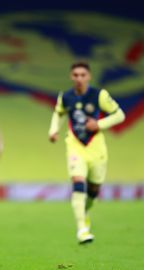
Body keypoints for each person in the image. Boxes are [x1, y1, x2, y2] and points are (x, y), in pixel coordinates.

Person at [48, 62, 125, 244]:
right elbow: (58, 113)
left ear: (88, 76)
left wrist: (99, 124)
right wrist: (53, 130)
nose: (79, 78)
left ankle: (85, 212)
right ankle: (82, 229)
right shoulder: (65, 96)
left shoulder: (99, 95)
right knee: (78, 182)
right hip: (75, 146)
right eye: (75, 75)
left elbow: (120, 115)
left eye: (83, 75)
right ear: (71, 77)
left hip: (96, 149)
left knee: (93, 190)